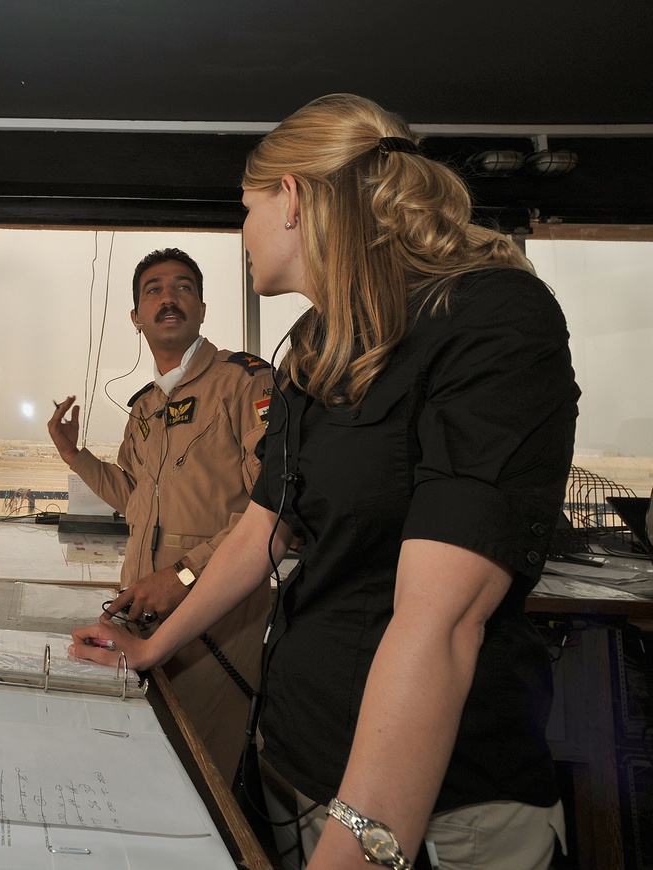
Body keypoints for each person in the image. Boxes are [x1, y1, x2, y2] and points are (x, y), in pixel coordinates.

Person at [69, 94, 579, 870]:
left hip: (435, 811)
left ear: (294, 199)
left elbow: (443, 620)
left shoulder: (492, 318)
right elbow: (263, 526)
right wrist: (150, 649)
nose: (241, 234)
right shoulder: (316, 342)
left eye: (246, 210)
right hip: (298, 765)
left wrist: (361, 844)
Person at [48, 248, 275, 786]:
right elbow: (131, 496)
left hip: (216, 614)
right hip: (142, 607)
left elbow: (271, 505)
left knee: (199, 768)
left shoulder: (246, 383)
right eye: (153, 289)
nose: (167, 298)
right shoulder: (146, 406)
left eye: (182, 287)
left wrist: (186, 574)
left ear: (200, 308)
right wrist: (73, 455)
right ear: (136, 317)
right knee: (143, 757)